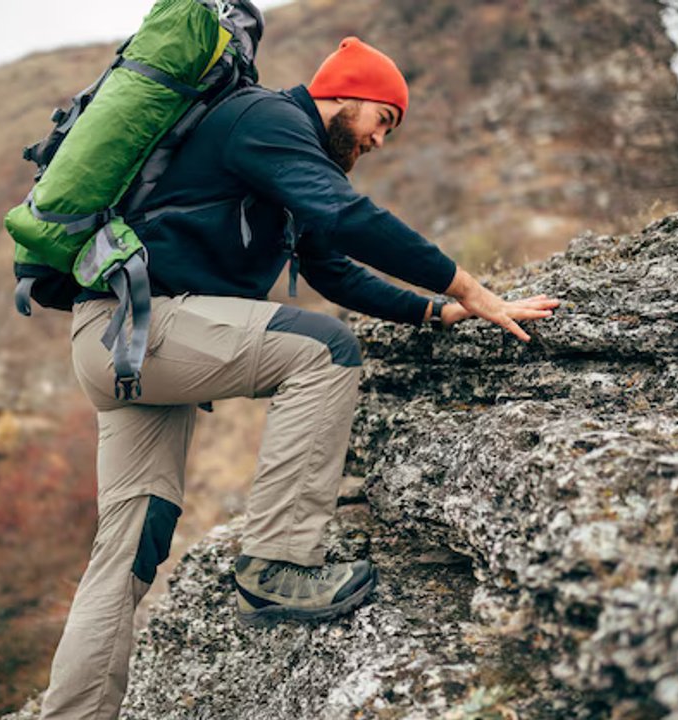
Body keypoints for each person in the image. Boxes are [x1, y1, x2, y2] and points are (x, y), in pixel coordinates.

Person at [38, 36, 560, 720]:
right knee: (323, 349)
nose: (380, 140)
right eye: (384, 120)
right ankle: (279, 565)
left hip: (124, 348)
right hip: (140, 329)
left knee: (128, 552)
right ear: (347, 95)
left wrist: (437, 309)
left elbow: (331, 265)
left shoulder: (283, 154)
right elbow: (349, 216)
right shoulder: (268, 119)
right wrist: (474, 285)